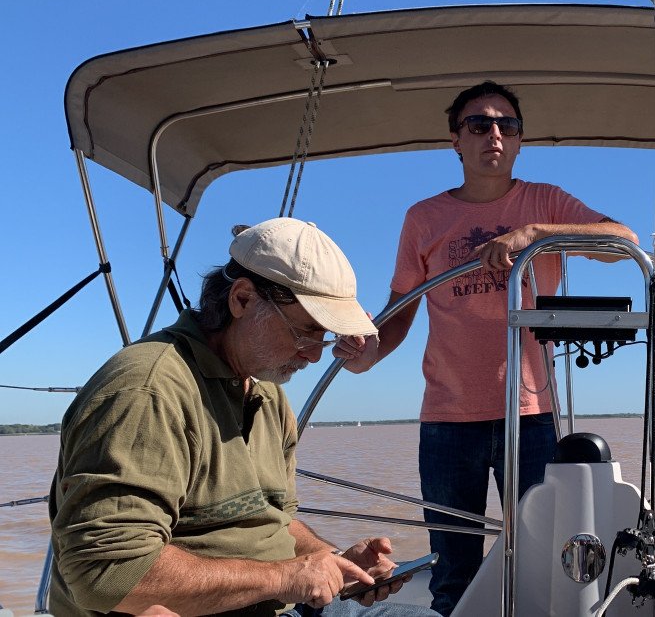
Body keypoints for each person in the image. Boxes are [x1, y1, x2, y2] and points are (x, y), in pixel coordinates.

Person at [335, 80, 638, 615]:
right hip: (448, 417)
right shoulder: (422, 218)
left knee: (548, 559)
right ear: (456, 140)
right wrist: (368, 354)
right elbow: (402, 306)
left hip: (532, 414)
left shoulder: (544, 201)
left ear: (519, 142)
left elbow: (624, 241)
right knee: (453, 569)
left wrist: (534, 235)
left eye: (507, 125)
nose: (494, 133)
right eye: (479, 124)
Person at [47, 217, 438, 617]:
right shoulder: (147, 391)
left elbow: (273, 523)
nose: (315, 354)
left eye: (325, 337)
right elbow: (104, 573)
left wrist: (334, 561)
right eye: (306, 331)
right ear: (243, 299)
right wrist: (287, 577)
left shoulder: (266, 393)